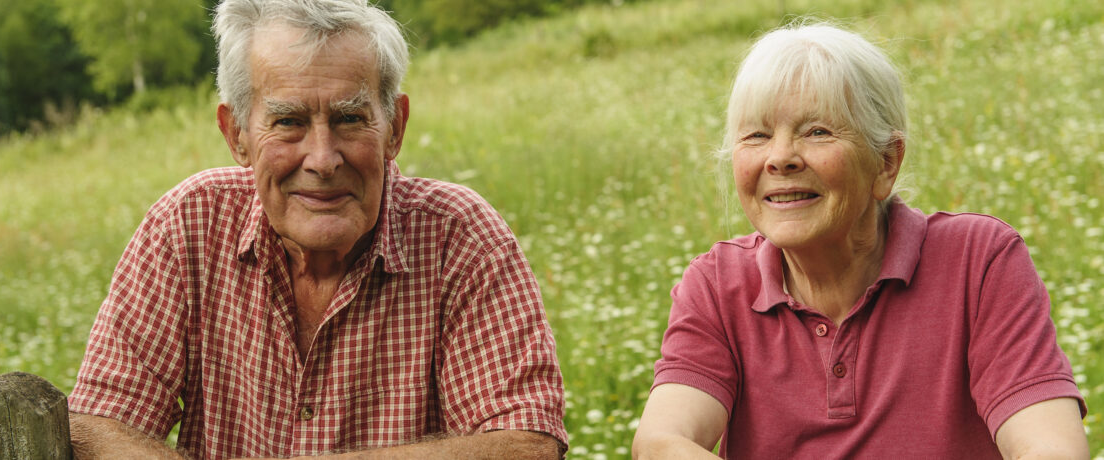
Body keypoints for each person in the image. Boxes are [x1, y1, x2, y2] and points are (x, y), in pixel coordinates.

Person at [66, 1, 567, 458]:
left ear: (395, 128)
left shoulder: (459, 236)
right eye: (288, 122)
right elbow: (96, 424)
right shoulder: (188, 225)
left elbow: (525, 444)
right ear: (236, 135)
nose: (323, 160)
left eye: (351, 118)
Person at [632, 21, 1089, 459]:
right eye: (757, 135)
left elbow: (1052, 448)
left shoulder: (979, 260)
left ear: (887, 162)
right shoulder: (716, 285)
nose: (780, 158)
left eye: (817, 131)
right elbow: (660, 445)